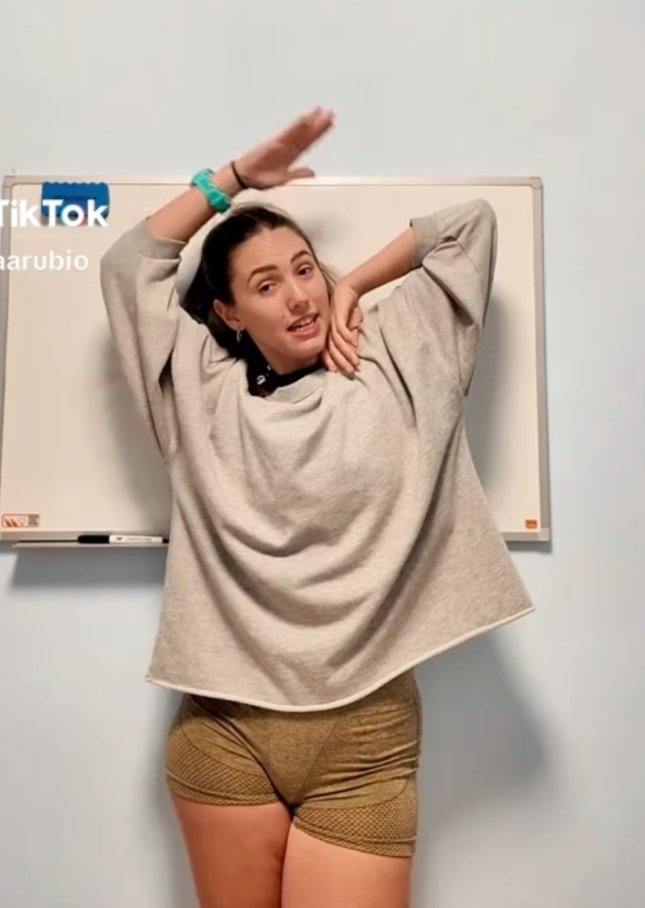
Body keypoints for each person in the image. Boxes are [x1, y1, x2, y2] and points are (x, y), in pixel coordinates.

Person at [100, 107, 534, 908]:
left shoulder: (401, 349)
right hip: (223, 727)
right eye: (265, 285)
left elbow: (468, 225)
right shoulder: (196, 391)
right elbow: (130, 262)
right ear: (228, 314)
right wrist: (233, 179)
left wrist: (355, 285)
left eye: (304, 269)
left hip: (366, 736)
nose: (299, 296)